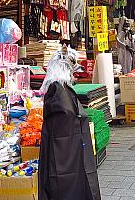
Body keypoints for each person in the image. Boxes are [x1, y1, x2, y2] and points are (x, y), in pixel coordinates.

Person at [39, 45, 101, 200]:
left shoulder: (60, 89)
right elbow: (65, 120)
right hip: (64, 156)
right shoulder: (58, 91)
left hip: (68, 153)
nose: (75, 75)